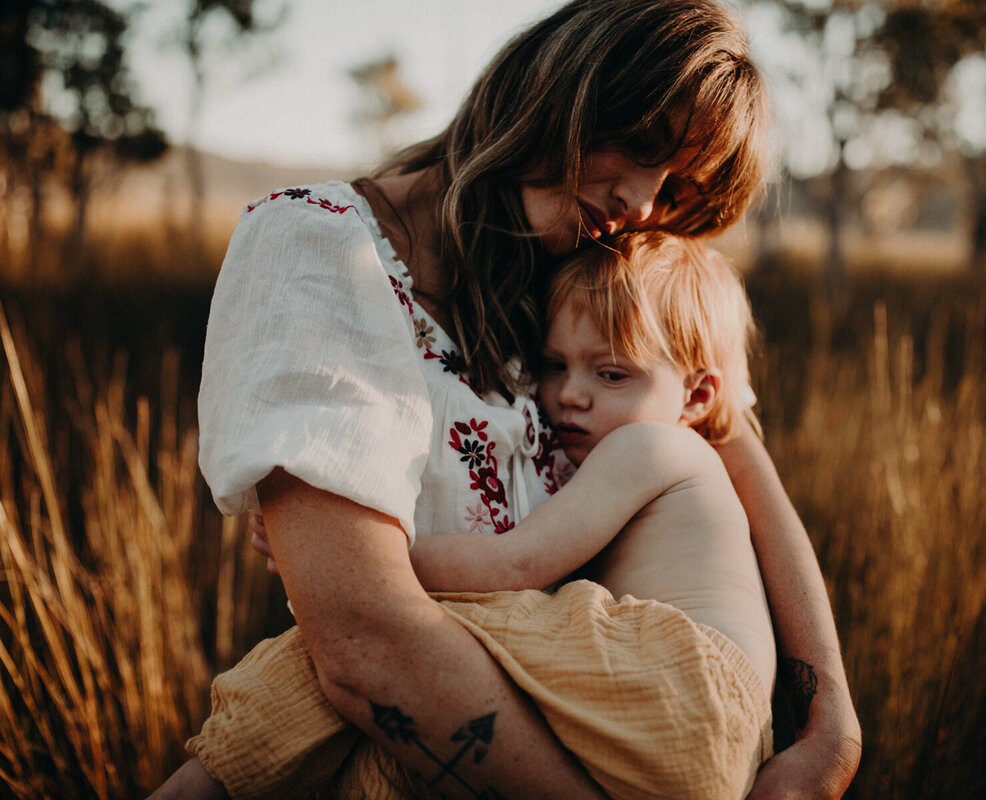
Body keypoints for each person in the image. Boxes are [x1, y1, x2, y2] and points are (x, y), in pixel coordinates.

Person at [155, 1, 860, 797]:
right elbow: (362, 640)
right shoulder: (318, 248)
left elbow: (732, 448)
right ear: (561, 88)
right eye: (639, 147)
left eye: (673, 184)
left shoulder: (581, 285)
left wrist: (831, 726)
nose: (641, 203)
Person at [161, 232, 777, 799]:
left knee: (388, 623)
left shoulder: (650, 446)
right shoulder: (658, 460)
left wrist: (345, 555)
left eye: (612, 373)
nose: (570, 394)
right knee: (404, 727)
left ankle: (210, 776)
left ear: (697, 396)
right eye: (555, 365)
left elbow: (517, 564)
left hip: (675, 680)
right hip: (715, 742)